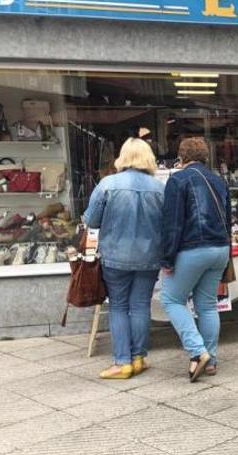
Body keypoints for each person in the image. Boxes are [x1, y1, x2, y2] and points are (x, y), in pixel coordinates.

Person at [83, 138, 165, 379]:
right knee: (140, 305)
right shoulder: (159, 188)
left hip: (115, 256)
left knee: (118, 306)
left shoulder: (108, 184)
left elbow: (91, 220)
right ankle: (139, 358)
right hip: (150, 256)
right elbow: (168, 223)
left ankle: (122, 362)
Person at [160, 137, 231, 382]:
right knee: (208, 305)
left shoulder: (177, 180)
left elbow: (173, 223)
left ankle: (197, 351)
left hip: (192, 248)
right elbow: (228, 217)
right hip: (220, 248)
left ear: (182, 156)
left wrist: (167, 258)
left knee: (171, 299)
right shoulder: (218, 181)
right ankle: (210, 360)